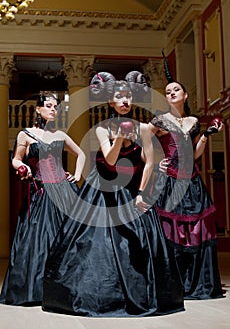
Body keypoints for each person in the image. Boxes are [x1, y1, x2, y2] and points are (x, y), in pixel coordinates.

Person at [41, 72, 184, 317]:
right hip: (103, 189)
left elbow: (148, 162)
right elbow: (109, 160)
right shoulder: (102, 129)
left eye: (128, 96)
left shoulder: (142, 128)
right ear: (111, 102)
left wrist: (141, 193)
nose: (125, 100)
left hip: (131, 189)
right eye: (119, 96)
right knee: (93, 245)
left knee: (137, 245)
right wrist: (119, 138)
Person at [147, 51, 224, 300]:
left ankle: (196, 283)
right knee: (170, 232)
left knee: (197, 232)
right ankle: (172, 284)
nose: (171, 93)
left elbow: (196, 153)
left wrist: (206, 135)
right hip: (169, 180)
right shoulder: (160, 120)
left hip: (192, 180)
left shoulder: (192, 121)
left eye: (175, 90)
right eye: (167, 91)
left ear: (185, 95)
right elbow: (141, 142)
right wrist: (155, 162)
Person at [0, 91, 86, 305]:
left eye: (55, 106)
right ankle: (38, 290)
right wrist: (23, 166)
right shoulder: (25, 134)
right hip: (41, 192)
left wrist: (76, 174)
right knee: (39, 241)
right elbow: (16, 160)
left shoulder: (61, 135)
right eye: (48, 105)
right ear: (38, 109)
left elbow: (82, 153)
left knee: (68, 238)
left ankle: (65, 288)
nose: (53, 109)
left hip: (64, 192)